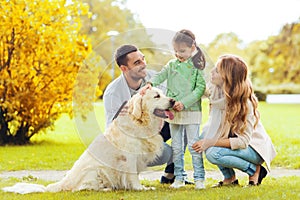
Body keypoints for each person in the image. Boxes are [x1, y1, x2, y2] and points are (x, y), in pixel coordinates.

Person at [103, 44, 192, 185]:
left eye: (143, 59)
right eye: (137, 62)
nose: (143, 64)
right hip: (132, 138)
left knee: (185, 124)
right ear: (124, 68)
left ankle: (171, 174)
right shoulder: (113, 92)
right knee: (166, 153)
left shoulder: (153, 77)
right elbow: (111, 132)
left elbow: (166, 101)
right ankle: (130, 177)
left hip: (155, 127)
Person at [192, 54, 277, 187]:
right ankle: (230, 178)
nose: (212, 72)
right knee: (204, 136)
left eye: (217, 71)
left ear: (228, 77)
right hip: (233, 140)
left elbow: (243, 141)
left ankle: (255, 170)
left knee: (213, 152)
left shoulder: (244, 103)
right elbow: (195, 90)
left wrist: (210, 142)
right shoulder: (216, 90)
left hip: (253, 148)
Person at [140, 29, 207, 189]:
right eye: (175, 51)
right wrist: (151, 84)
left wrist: (184, 103)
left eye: (182, 51)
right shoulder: (171, 65)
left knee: (193, 145)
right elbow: (160, 75)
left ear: (193, 47)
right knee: (177, 147)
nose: (178, 54)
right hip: (174, 114)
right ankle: (179, 177)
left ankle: (199, 178)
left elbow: (200, 89)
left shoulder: (197, 67)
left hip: (191, 112)